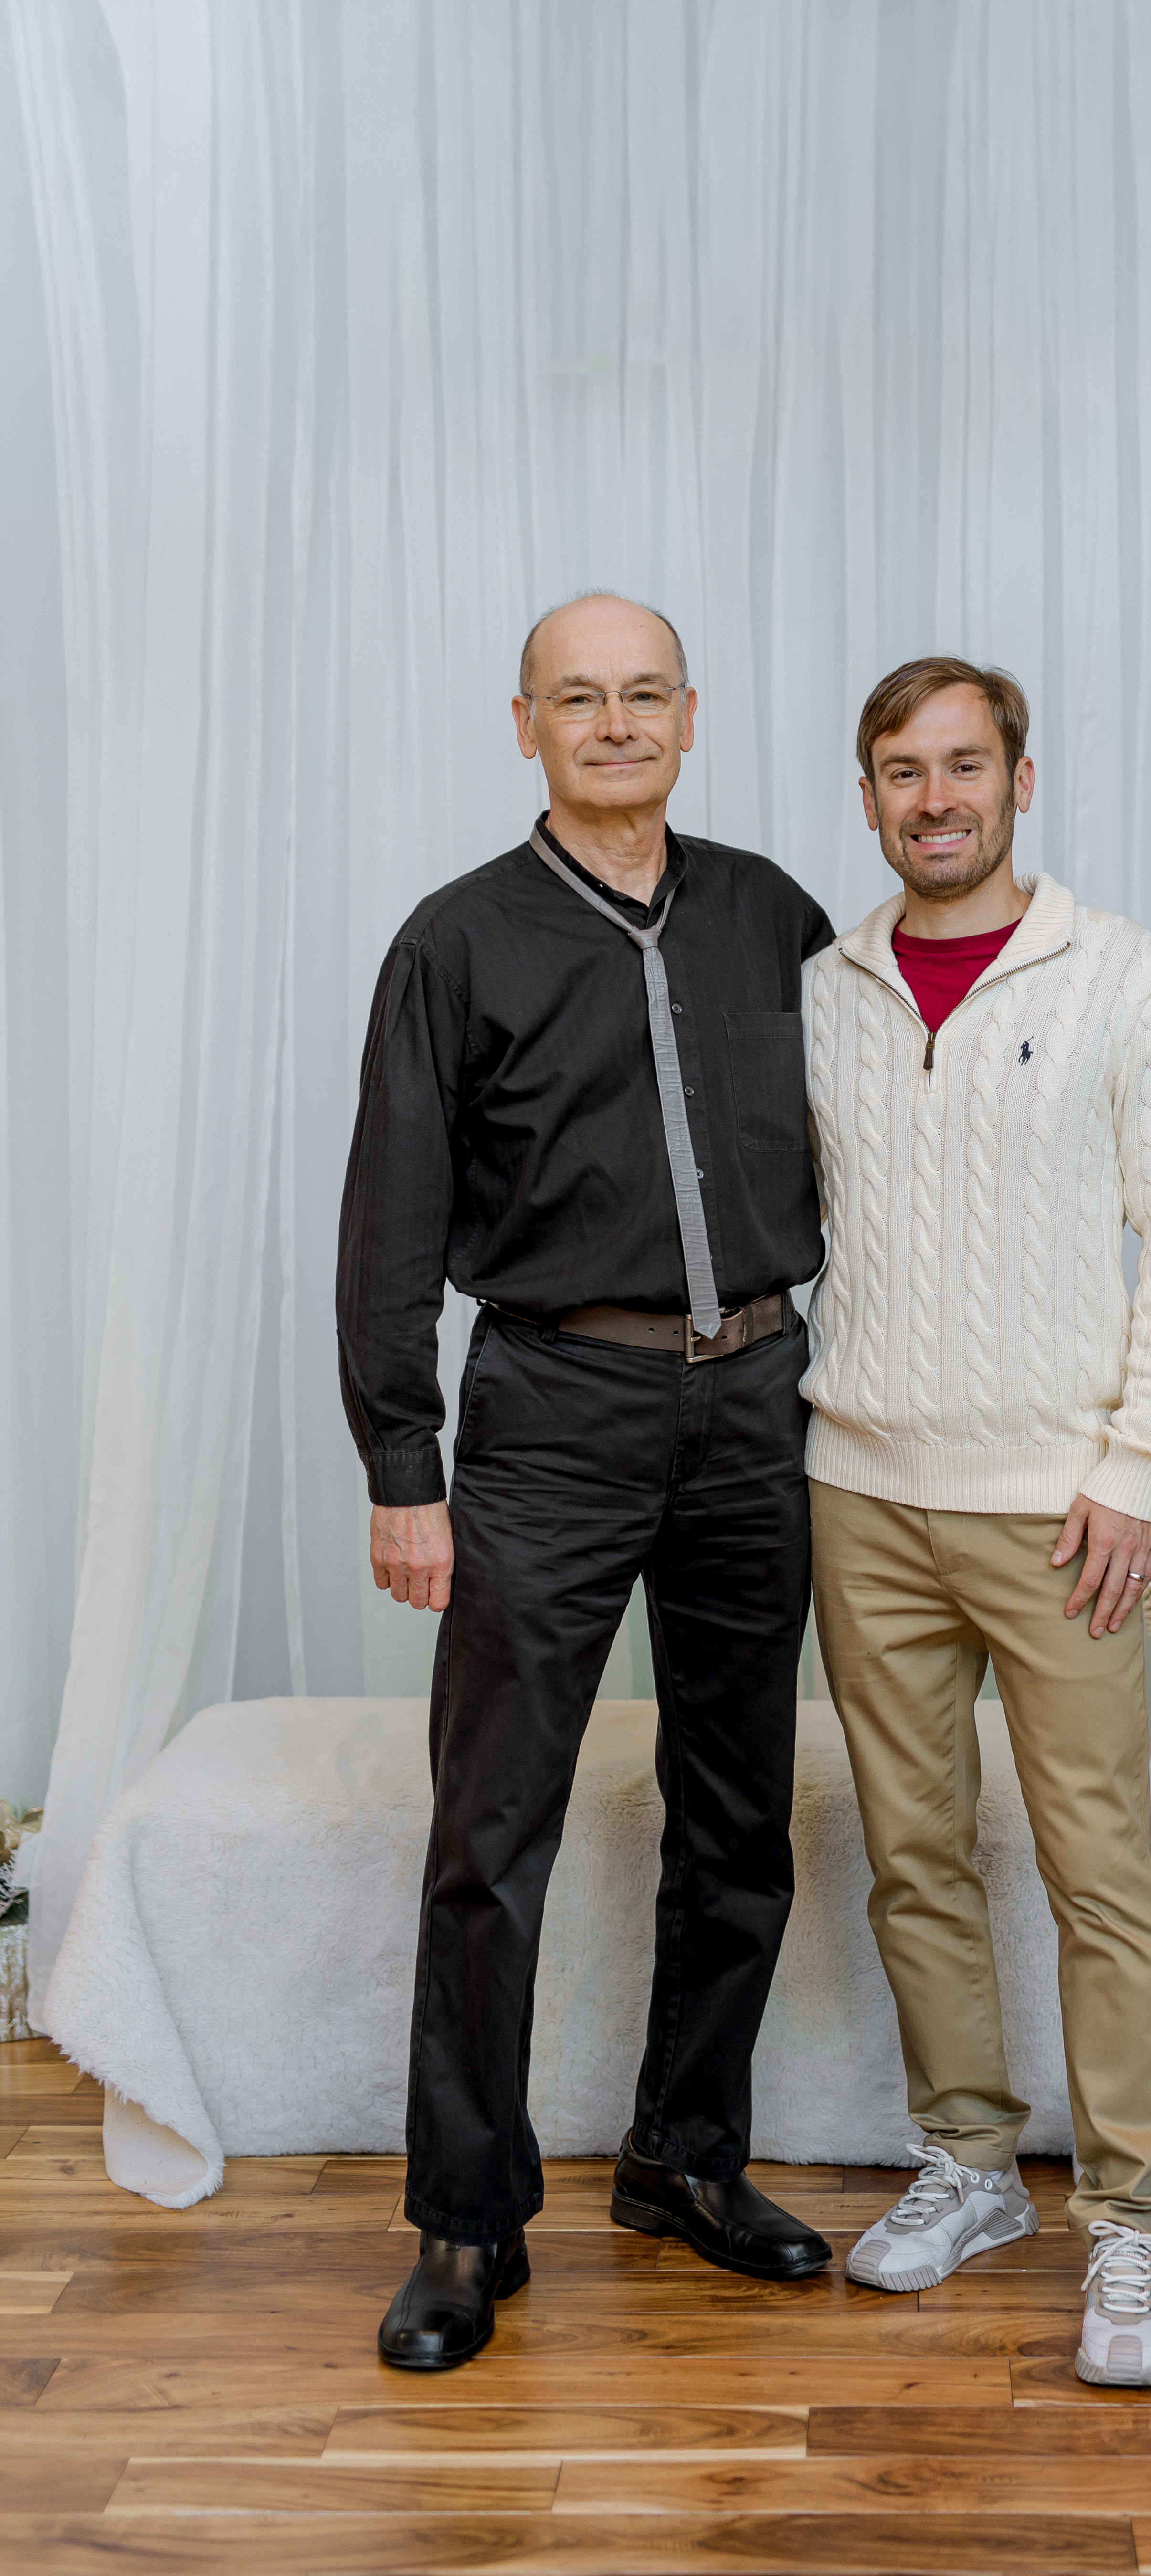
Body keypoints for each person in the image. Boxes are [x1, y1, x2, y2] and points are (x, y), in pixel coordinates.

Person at [337, 592, 835, 2371]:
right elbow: (391, 1222)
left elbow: (872, 1152)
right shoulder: (454, 943)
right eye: (579, 698)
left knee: (739, 1809)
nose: (615, 723)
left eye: (644, 695)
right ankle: (466, 2221)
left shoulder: (777, 914)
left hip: (758, 1405)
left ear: (692, 716)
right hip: (549, 1410)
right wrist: (408, 1464)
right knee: (493, 1830)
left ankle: (688, 2163)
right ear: (527, 724)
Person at [801, 655, 1151, 2387]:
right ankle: (969, 2163)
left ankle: (1131, 2226)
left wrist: (1137, 1469)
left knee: (1096, 1866)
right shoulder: (824, 985)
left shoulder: (1117, 973)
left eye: (964, 765)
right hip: (863, 1490)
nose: (935, 797)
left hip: (1060, 1508)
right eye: (903, 771)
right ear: (873, 796)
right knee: (912, 1856)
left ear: (1021, 781)